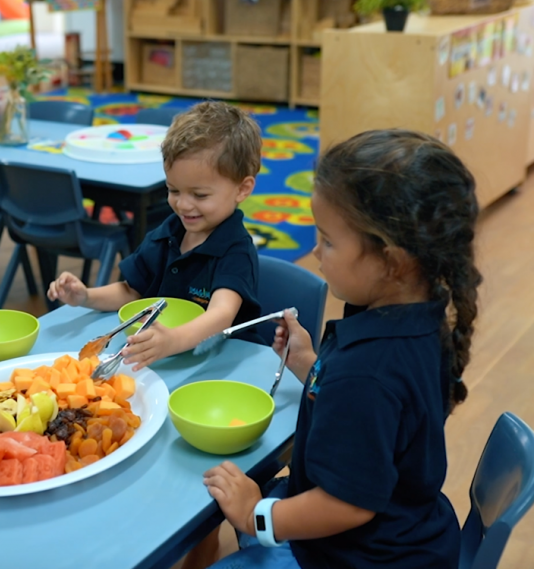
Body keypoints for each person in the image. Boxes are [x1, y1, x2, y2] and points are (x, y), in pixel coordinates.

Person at [202, 130, 480, 568]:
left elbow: (347, 504)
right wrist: (311, 367)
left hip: (358, 555)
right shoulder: (419, 314)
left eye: (328, 241)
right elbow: (385, 425)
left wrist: (259, 517)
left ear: (392, 260)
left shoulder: (368, 374)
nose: (314, 251)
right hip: (412, 532)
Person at [47, 101, 263, 370]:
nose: (183, 205)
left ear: (242, 189)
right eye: (173, 190)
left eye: (199, 195)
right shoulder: (168, 233)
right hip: (163, 361)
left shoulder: (235, 249)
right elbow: (131, 291)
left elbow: (220, 314)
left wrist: (172, 340)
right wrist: (86, 297)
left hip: (219, 366)